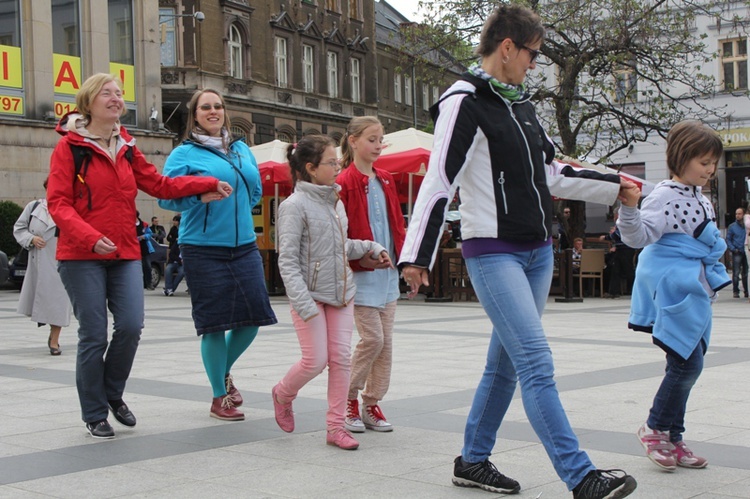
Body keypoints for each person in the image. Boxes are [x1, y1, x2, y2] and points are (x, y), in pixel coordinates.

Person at [399, 5, 637, 498]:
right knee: (534, 360)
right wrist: (416, 255)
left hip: (536, 251)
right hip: (492, 251)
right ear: (507, 47)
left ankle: (473, 460)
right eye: (532, 52)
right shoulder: (463, 103)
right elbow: (439, 180)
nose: (536, 62)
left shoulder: (520, 105)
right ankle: (581, 477)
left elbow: (553, 172)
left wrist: (619, 184)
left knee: (506, 363)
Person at [47, 73, 232, 440]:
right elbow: (58, 204)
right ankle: (95, 412)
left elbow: (159, 184)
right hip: (80, 254)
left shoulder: (127, 146)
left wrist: (205, 184)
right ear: (89, 102)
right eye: (108, 93)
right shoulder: (70, 148)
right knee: (94, 335)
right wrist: (89, 235)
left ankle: (112, 393)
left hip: (125, 250)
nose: (117, 98)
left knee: (131, 326)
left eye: (119, 93)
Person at [159, 88, 277, 421]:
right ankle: (218, 396)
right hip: (201, 246)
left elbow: (254, 188)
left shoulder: (241, 148)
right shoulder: (183, 154)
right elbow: (166, 199)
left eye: (218, 106)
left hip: (243, 246)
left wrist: (240, 208)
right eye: (205, 107)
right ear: (194, 115)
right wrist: (200, 197)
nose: (213, 111)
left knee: (255, 317)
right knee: (213, 325)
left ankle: (221, 370)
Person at [618, 120, 729, 472]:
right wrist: (630, 208)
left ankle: (674, 438)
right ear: (681, 158)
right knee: (687, 364)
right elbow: (638, 238)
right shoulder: (665, 196)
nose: (710, 170)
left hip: (693, 295)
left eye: (713, 163)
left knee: (684, 362)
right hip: (671, 294)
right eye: (704, 163)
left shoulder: (702, 199)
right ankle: (654, 429)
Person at [272, 135, 392, 451]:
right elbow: (287, 259)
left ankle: (336, 427)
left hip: (340, 294)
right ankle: (283, 394)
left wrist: (370, 247)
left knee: (339, 359)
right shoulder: (293, 206)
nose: (338, 165)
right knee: (315, 361)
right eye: (331, 161)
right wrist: (303, 303)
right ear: (311, 168)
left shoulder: (335, 202)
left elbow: (342, 246)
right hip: (309, 298)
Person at [336, 116, 406, 434]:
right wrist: (364, 259)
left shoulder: (386, 179)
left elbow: (397, 226)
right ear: (352, 141)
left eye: (381, 140)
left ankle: (371, 403)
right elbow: (340, 234)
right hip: (362, 274)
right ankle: (347, 399)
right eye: (372, 139)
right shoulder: (344, 181)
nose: (378, 145)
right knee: (372, 339)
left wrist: (407, 264)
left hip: (388, 276)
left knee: (386, 343)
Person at [13, 177, 72, 356]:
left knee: (59, 302)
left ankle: (54, 340)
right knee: (44, 299)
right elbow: (19, 228)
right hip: (39, 261)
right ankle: (49, 331)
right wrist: (31, 238)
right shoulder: (34, 207)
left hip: (62, 261)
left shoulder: (70, 208)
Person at [600, 211, 635, 298]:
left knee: (628, 270)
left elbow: (617, 235)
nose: (614, 218)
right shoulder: (624, 222)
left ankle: (637, 289)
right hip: (622, 248)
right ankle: (613, 292)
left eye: (615, 216)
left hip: (625, 248)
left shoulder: (622, 222)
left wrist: (606, 237)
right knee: (616, 269)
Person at [725, 207, 748, 298]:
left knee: (746, 272)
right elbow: (728, 239)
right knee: (736, 272)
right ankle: (735, 290)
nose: (737, 215)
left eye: (739, 214)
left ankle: (746, 290)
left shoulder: (746, 226)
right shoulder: (732, 226)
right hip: (737, 251)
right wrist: (733, 249)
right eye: (736, 214)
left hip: (745, 250)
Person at [163, 215, 184, 296]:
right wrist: (175, 240)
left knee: (182, 272)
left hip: (181, 264)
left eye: (175, 221)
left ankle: (170, 289)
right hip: (174, 260)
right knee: (168, 269)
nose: (174, 222)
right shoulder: (173, 229)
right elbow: (169, 238)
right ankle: (169, 289)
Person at [135, 211, 155, 290]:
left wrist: (144, 236)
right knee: (136, 268)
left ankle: (149, 283)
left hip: (145, 248)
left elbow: (150, 234)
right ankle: (138, 284)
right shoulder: (129, 224)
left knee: (147, 267)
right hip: (135, 249)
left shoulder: (144, 224)